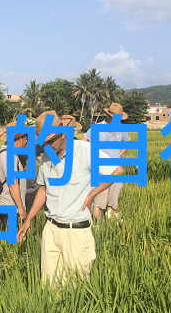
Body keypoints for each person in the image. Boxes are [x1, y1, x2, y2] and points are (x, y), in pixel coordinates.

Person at [17, 111, 124, 286]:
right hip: (51, 229)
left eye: (50, 142)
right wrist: (29, 220)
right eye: (44, 144)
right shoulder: (46, 157)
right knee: (50, 287)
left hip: (76, 231)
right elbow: (43, 189)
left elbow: (117, 171)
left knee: (78, 287)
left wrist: (92, 194)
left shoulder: (85, 150)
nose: (48, 147)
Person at [81, 103, 130, 221]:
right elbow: (83, 142)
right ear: (109, 116)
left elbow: (128, 143)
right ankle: (98, 226)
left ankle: (109, 223)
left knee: (113, 200)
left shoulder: (121, 129)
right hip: (100, 170)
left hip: (117, 170)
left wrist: (119, 155)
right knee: (98, 200)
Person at [0, 120, 29, 231]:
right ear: (19, 139)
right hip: (9, 207)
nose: (26, 142)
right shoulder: (8, 156)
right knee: (11, 243)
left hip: (7, 206)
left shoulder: (6, 153)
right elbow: (12, 183)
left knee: (10, 242)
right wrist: (21, 208)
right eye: (25, 139)